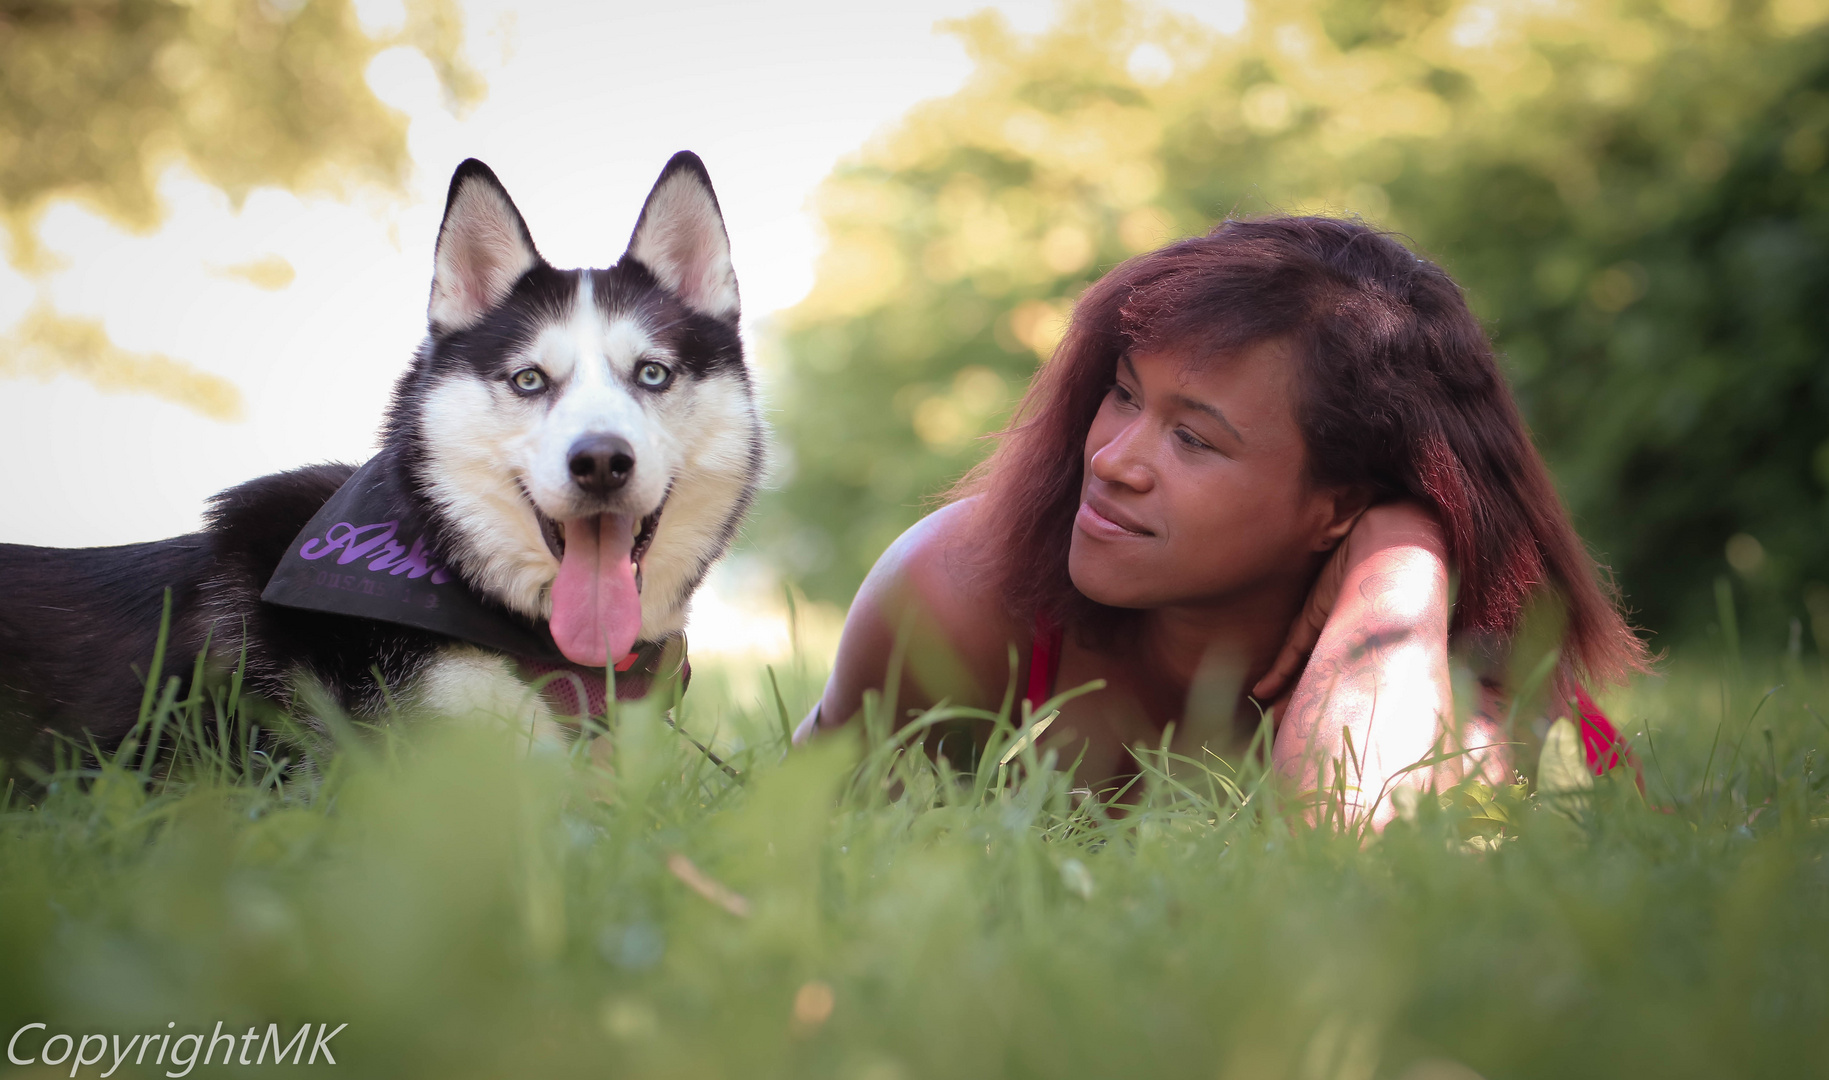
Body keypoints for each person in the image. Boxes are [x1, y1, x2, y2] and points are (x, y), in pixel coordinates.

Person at [795, 216, 1645, 825]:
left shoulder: (1474, 689)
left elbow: (1358, 858)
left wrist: (1401, 559)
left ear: (1337, 504)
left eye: (1194, 439)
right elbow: (785, 827)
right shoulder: (957, 592)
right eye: (1122, 394)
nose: (1113, 459)